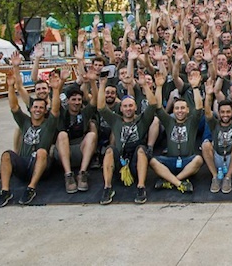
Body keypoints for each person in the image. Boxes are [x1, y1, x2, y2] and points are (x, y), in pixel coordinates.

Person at [0, 68, 62, 207]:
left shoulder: (49, 124)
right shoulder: (24, 121)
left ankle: (31, 188)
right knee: (6, 155)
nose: (37, 110)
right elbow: (14, 106)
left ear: (45, 111)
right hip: (24, 163)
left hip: (42, 166)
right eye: (35, 107)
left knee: (42, 152)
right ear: (31, 109)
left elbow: (55, 109)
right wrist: (10, 86)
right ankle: (5, 191)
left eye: (41, 108)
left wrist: (56, 89)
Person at [96, 73, 157, 205]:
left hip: (136, 162)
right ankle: (107, 187)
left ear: (135, 107)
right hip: (120, 161)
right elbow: (101, 107)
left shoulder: (142, 119)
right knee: (109, 150)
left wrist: (145, 85)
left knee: (142, 149)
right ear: (121, 108)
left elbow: (152, 104)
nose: (128, 109)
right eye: (125, 106)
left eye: (131, 106)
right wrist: (102, 86)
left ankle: (141, 187)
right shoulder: (115, 119)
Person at [150, 70, 204, 194]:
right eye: (177, 108)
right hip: (170, 161)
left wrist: (195, 87)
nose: (180, 111)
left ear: (187, 110)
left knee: (198, 160)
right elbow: (158, 107)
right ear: (173, 110)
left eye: (183, 108)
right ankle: (179, 183)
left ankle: (169, 181)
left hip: (187, 162)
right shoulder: (169, 121)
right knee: (152, 161)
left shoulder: (192, 121)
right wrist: (159, 87)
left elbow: (199, 107)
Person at [202, 76, 232, 194]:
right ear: (219, 113)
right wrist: (208, 95)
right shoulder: (214, 124)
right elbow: (207, 112)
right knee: (206, 144)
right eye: (222, 112)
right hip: (218, 159)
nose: (225, 114)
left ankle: (228, 178)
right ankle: (215, 177)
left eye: (228, 112)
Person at [55, 85, 98, 194]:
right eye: (73, 100)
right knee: (62, 135)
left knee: (91, 135)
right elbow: (55, 101)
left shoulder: (84, 113)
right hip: (63, 152)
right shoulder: (62, 113)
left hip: (80, 151)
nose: (77, 102)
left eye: (79, 100)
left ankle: (82, 173)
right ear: (68, 101)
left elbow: (95, 99)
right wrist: (59, 85)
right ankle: (68, 175)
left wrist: (93, 81)